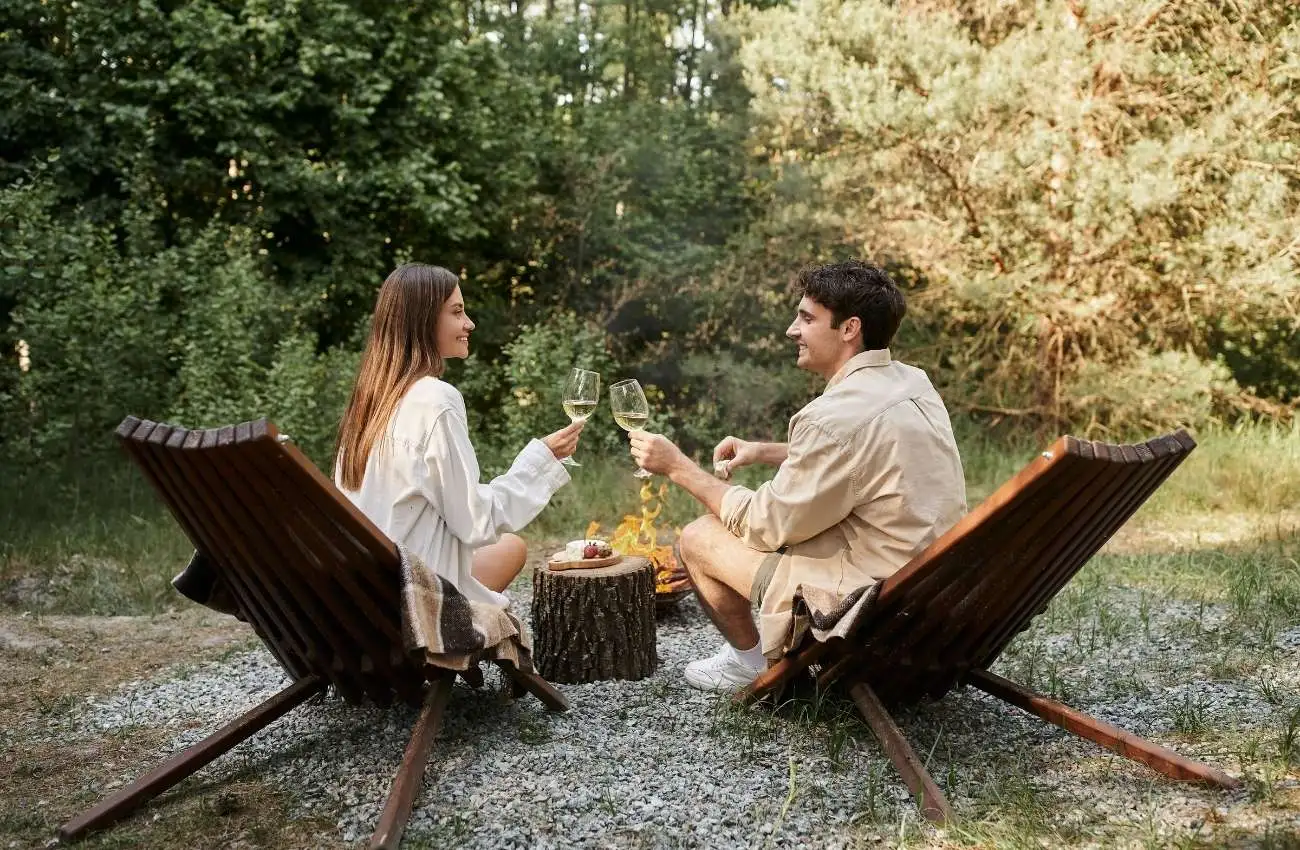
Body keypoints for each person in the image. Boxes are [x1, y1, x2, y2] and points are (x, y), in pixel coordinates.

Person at [629, 260, 967, 691]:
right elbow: (866, 459)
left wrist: (678, 467)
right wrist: (767, 451)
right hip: (933, 594)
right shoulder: (913, 384)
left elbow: (765, 526)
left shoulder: (831, 418)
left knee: (699, 537)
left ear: (849, 329)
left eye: (806, 318)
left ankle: (748, 664)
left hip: (868, 608)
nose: (792, 330)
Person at [334, 263, 584, 607]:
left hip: (369, 591)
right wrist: (537, 461)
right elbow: (475, 523)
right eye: (457, 312)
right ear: (422, 320)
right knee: (504, 543)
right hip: (413, 602)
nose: (469, 323)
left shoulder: (368, 404)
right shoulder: (435, 400)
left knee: (510, 547)